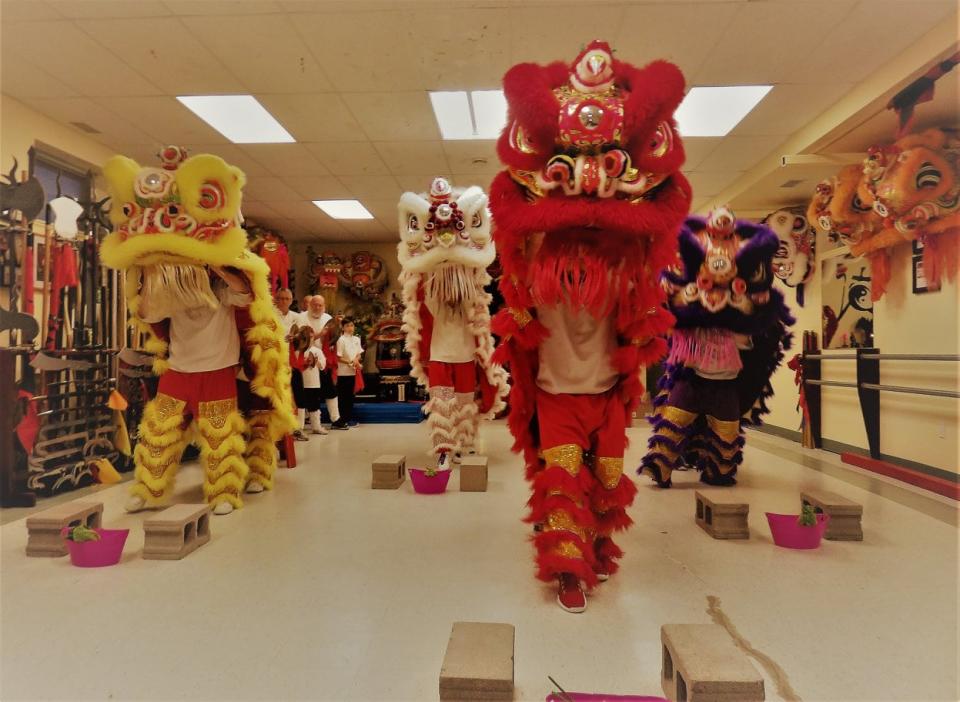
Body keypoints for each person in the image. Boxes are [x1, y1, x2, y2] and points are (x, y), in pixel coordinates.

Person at [490, 42, 692, 612]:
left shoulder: (627, 282)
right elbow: (517, 237)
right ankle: (567, 571)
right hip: (554, 396)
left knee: (605, 483)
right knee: (560, 484)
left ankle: (597, 550)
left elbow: (651, 243)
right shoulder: (533, 281)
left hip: (606, 395)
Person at [301, 294, 346, 430]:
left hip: (323, 361)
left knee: (331, 391)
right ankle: (307, 423)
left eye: (320, 305)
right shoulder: (301, 317)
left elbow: (334, 337)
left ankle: (336, 419)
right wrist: (320, 334)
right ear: (310, 305)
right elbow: (301, 339)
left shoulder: (328, 318)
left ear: (324, 306)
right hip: (306, 361)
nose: (317, 307)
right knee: (309, 393)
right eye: (315, 304)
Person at [335, 318, 363, 428]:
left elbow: (359, 353)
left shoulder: (356, 339)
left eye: (351, 325)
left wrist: (356, 360)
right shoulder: (340, 340)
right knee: (343, 397)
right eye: (347, 326)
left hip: (353, 372)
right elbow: (338, 357)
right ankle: (342, 419)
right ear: (342, 327)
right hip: (343, 373)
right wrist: (351, 362)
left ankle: (349, 418)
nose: (350, 328)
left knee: (350, 397)